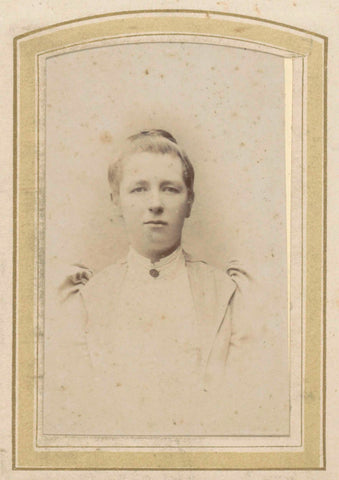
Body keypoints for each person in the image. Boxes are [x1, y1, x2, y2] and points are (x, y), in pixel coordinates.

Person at [44, 130, 285, 436]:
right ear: (116, 199)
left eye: (170, 189)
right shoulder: (85, 298)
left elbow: (244, 407)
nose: (155, 203)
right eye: (138, 189)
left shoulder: (230, 294)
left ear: (189, 201)